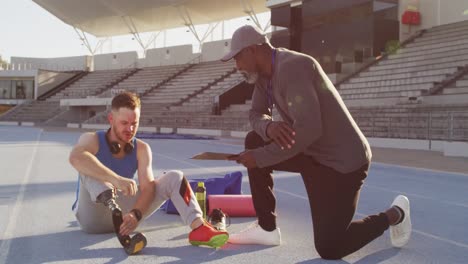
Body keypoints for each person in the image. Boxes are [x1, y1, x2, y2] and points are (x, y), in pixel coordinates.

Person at [221, 25, 411, 260]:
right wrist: (268, 126)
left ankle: (395, 214)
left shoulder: (293, 67)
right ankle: (267, 228)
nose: (236, 66)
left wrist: (259, 158)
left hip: (342, 164)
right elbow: (256, 114)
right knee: (254, 140)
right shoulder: (263, 78)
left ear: (252, 50)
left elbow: (309, 129)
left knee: (330, 247)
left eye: (238, 57)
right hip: (312, 154)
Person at [69, 91, 228, 254]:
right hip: (92, 217)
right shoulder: (92, 139)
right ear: (111, 119)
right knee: (86, 165)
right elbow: (75, 158)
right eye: (124, 123)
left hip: (123, 218)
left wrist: (136, 214)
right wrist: (115, 179)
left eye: (134, 123)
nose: (130, 129)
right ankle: (112, 203)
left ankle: (199, 229)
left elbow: (149, 188)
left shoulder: (142, 149)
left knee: (175, 177)